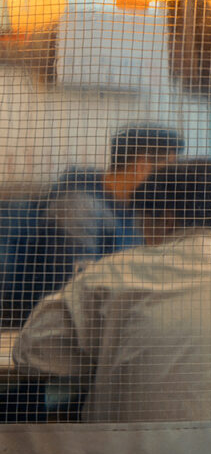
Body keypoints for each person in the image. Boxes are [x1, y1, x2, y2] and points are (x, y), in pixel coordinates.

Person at [13, 158, 211, 423]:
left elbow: (31, 355)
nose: (139, 232)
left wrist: (111, 358)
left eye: (141, 220)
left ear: (165, 219)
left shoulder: (113, 275)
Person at [2, 125, 183, 326]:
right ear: (142, 166)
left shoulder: (131, 209)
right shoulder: (79, 207)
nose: (170, 184)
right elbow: (74, 294)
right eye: (167, 171)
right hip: (51, 330)